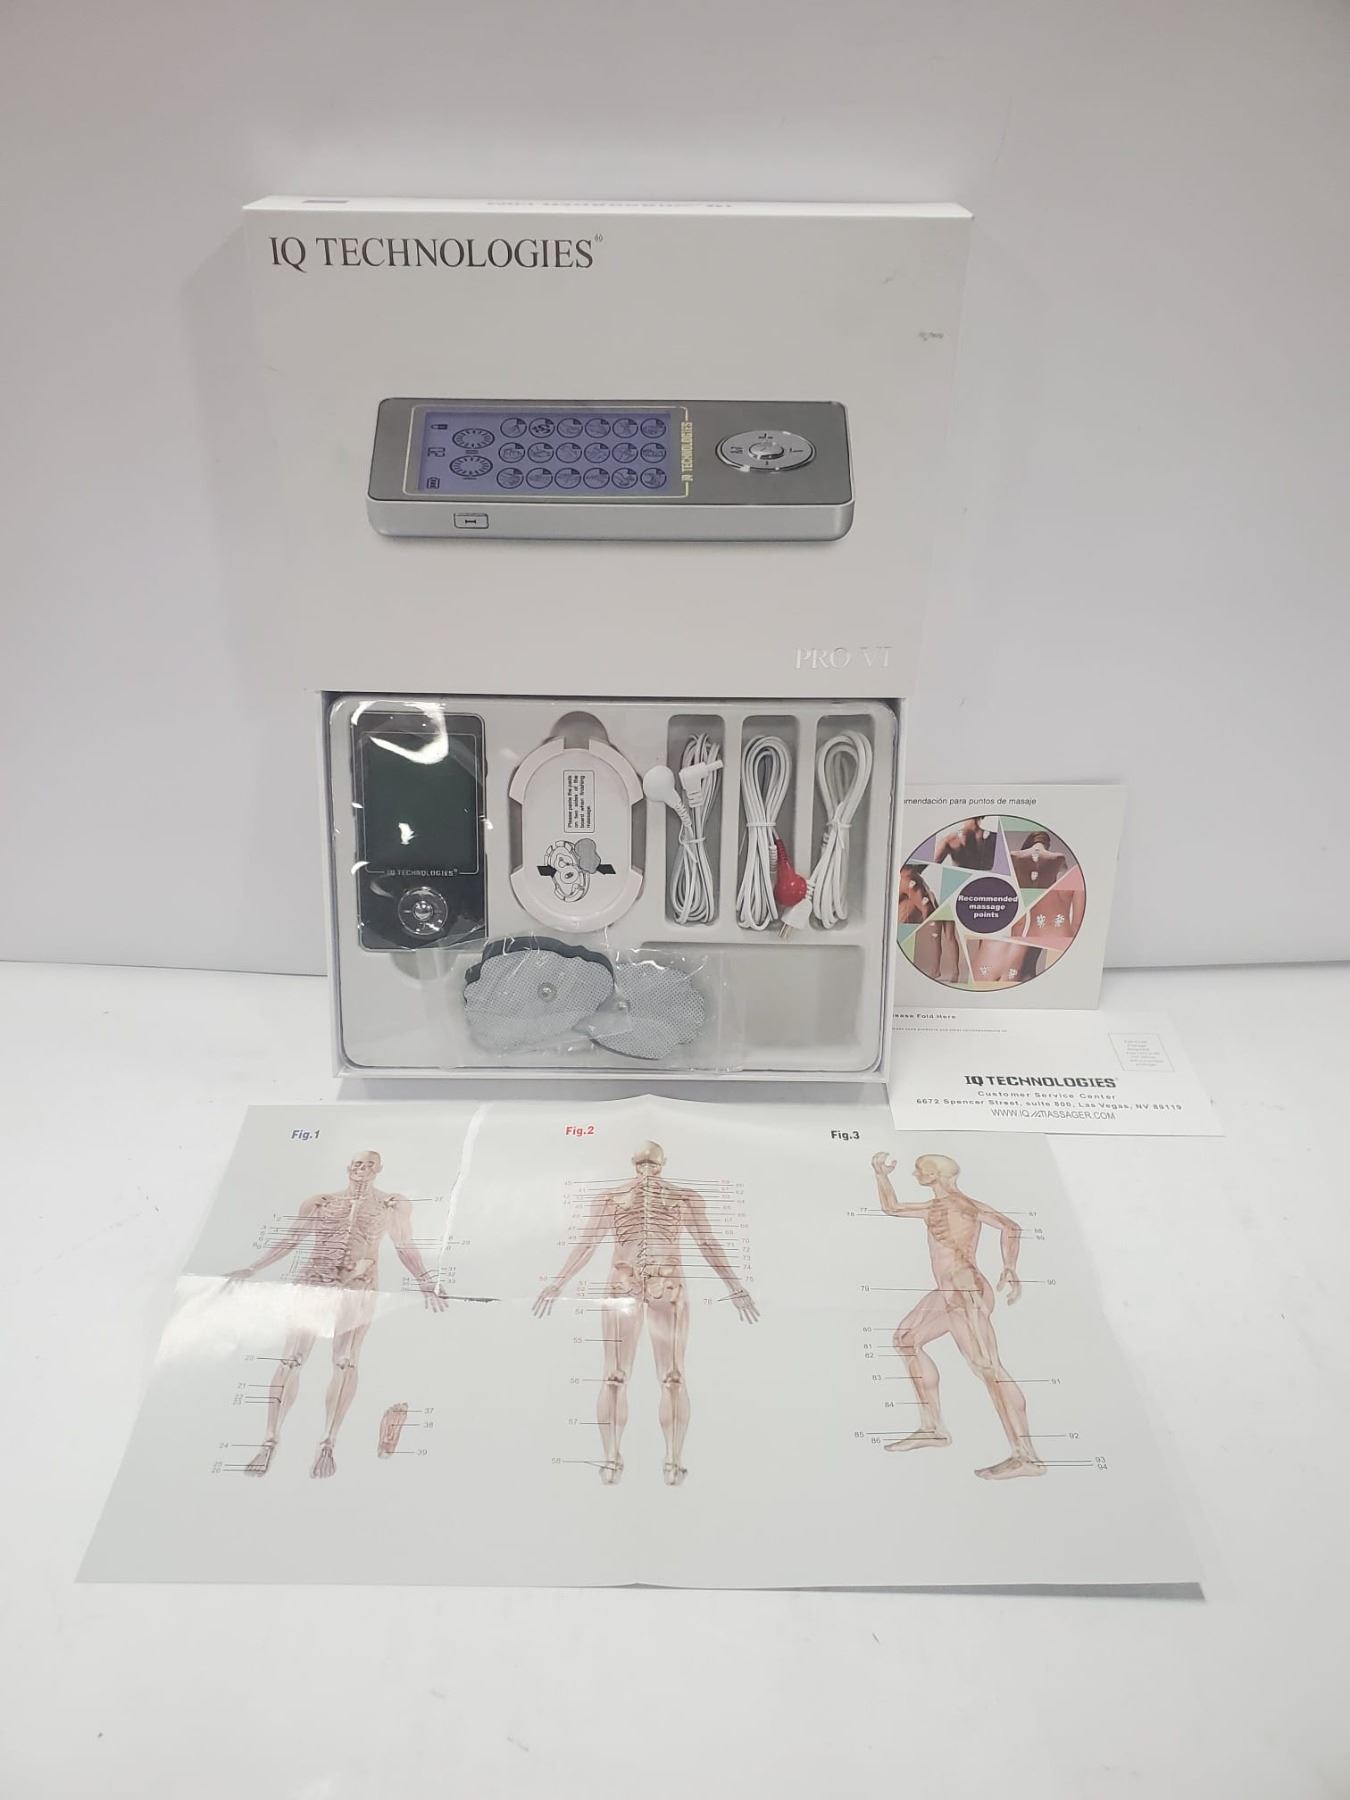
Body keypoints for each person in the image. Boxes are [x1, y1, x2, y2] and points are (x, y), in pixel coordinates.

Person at [533, 1141, 757, 1486]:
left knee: (673, 1376)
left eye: (653, 1164)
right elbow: (588, 1243)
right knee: (614, 1375)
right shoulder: (611, 1198)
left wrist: (735, 1286)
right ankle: (611, 1456)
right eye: (642, 1164)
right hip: (623, 1285)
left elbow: (707, 1242)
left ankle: (673, 1458)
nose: (648, 1171)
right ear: (633, 1164)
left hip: (668, 1285)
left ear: (664, 1164)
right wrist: (558, 1283)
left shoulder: (685, 1198)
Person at [227, 1150, 446, 1479]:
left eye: (370, 1164)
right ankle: (270, 1441)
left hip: (358, 1286)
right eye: (358, 1163)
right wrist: (253, 1267)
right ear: (348, 1167)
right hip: (314, 1281)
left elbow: (404, 1245)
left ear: (379, 1169)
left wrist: (425, 1281)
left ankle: (327, 1443)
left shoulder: (391, 1204)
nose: (363, 1169)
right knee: (291, 1360)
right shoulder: (321, 1202)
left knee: (345, 1361)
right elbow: (292, 1238)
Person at [869, 1150, 1044, 1480]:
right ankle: (933, 1428)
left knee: (988, 1368)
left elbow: (1011, 1228)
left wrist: (1010, 1267)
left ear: (934, 1175)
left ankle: (1026, 1456)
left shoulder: (957, 1206)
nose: (916, 1175)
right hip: (948, 1292)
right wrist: (880, 1175)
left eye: (919, 1170)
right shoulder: (945, 1206)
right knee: (905, 1339)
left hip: (965, 1290)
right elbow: (892, 1208)